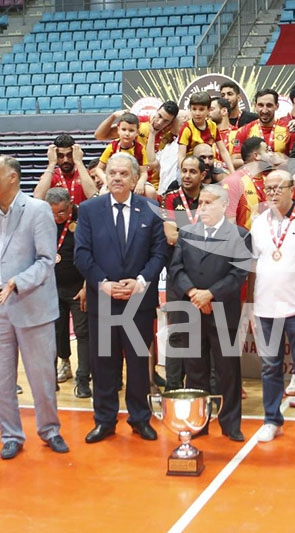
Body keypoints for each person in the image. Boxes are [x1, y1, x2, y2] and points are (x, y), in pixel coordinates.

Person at [0, 156, 68, 460]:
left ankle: (50, 430)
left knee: (41, 376)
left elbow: (45, 260)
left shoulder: (38, 210)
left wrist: (16, 282)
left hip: (30, 301)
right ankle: (11, 435)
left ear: (12, 177)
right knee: (1, 379)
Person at [74, 152, 169, 444]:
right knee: (104, 363)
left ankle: (140, 418)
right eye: (112, 173)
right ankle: (104, 420)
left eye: (123, 174)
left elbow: (160, 252)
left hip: (138, 302)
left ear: (133, 177)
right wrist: (103, 283)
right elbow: (82, 254)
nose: (116, 178)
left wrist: (140, 282)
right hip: (103, 300)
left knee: (140, 363)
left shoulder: (151, 208)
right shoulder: (89, 209)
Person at [168, 184, 251, 441]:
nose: (201, 207)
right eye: (200, 202)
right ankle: (198, 422)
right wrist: (193, 292)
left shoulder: (240, 235)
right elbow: (176, 269)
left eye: (208, 202)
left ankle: (230, 424)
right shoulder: (187, 233)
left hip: (223, 310)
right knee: (195, 370)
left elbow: (239, 274)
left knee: (228, 371)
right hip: (192, 310)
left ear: (223, 206)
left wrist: (210, 294)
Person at [248, 170, 295, 446]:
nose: (274, 193)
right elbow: (254, 267)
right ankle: (271, 420)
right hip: (265, 307)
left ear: (293, 189)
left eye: (279, 187)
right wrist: (251, 305)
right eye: (269, 188)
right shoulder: (258, 222)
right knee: (270, 367)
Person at [160, 155, 207, 391]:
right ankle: (173, 387)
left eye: (192, 171)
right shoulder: (171, 198)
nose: (187, 176)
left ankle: (198, 387)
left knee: (201, 334)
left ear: (203, 176)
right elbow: (170, 235)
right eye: (184, 171)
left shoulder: (210, 198)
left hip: (207, 277)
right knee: (177, 333)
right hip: (178, 274)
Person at [45, 188, 91, 398]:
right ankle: (52, 376)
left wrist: (85, 286)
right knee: (55, 333)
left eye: (61, 213)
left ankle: (83, 380)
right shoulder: (44, 220)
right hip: (52, 288)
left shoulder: (85, 218)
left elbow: (93, 254)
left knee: (83, 333)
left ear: (71, 204)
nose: (56, 218)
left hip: (78, 288)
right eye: (52, 213)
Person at [96, 113, 155, 199]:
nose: (127, 133)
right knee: (103, 193)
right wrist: (106, 181)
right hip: (115, 180)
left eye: (131, 130)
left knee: (151, 191)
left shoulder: (140, 149)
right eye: (124, 129)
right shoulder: (111, 147)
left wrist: (140, 183)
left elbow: (143, 172)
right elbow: (99, 168)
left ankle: (151, 212)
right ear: (118, 130)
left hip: (134, 182)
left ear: (137, 132)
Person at [232, 89, 293, 168]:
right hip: (253, 178)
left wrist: (279, 161)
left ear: (277, 106)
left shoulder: (288, 130)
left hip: (279, 178)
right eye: (261, 105)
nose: (264, 110)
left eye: (269, 105)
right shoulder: (243, 131)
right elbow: (234, 161)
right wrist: (258, 160)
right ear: (255, 106)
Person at [177, 92, 234, 172]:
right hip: (188, 167)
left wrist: (233, 172)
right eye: (194, 109)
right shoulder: (187, 128)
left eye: (201, 109)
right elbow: (181, 156)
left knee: (224, 177)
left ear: (208, 110)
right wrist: (184, 173)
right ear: (190, 109)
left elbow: (223, 151)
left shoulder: (213, 126)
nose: (197, 113)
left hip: (208, 166)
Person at [34, 134, 98, 205]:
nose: (65, 160)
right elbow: (38, 198)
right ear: (55, 156)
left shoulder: (85, 174)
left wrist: (79, 162)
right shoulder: (50, 175)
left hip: (82, 216)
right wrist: (51, 163)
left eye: (69, 155)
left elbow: (93, 197)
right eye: (60, 156)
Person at [210, 97, 237, 166]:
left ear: (224, 111)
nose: (207, 113)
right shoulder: (206, 135)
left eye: (211, 109)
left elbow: (240, 161)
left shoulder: (237, 134)